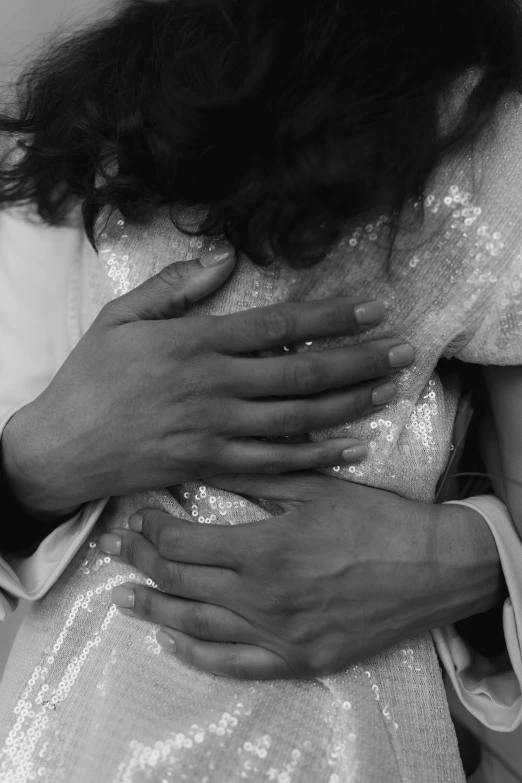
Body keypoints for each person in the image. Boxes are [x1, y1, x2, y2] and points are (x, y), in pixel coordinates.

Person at [1, 0, 522, 781]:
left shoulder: (487, 145)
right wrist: (39, 460)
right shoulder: (77, 139)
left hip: (342, 715)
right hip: (77, 708)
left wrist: (473, 558)